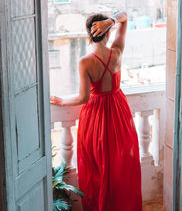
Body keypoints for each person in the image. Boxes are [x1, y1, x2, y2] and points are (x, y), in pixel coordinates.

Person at [50, 12, 142, 211]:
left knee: (96, 168)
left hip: (97, 116)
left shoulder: (85, 61)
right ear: (108, 33)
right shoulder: (117, 52)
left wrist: (62, 101)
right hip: (118, 111)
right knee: (119, 166)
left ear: (88, 33)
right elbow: (124, 17)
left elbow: (83, 98)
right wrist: (112, 20)